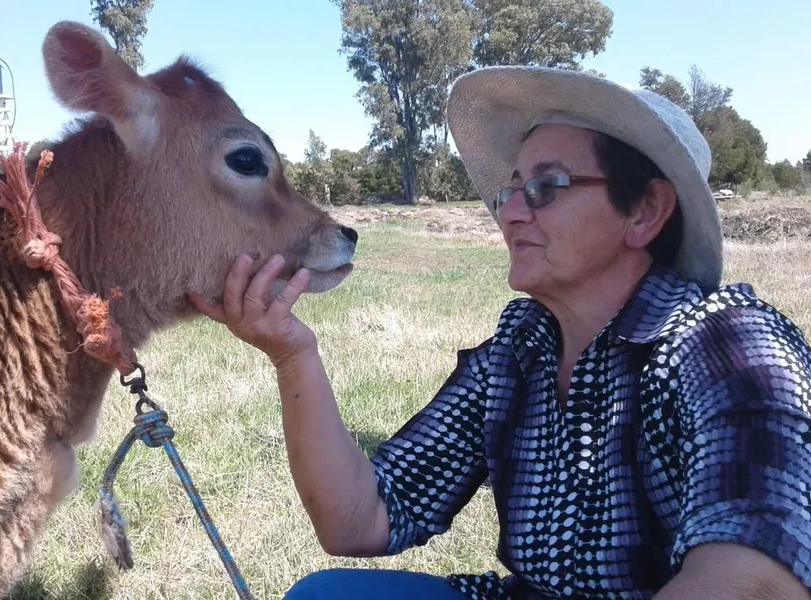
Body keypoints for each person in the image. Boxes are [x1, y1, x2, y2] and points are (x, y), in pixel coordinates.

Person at [188, 66, 811, 599]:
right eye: (513, 188)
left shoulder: (728, 346)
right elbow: (359, 520)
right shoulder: (518, 353)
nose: (509, 212)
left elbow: (757, 574)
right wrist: (293, 355)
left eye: (545, 187)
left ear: (645, 211)